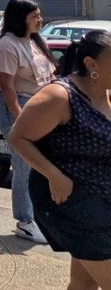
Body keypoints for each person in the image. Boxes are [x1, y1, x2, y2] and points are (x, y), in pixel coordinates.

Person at [9, 31, 111, 290]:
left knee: (83, 283)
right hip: (71, 200)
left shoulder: (107, 95)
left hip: (101, 199)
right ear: (91, 64)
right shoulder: (59, 96)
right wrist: (55, 176)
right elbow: (18, 138)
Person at [0, 0, 57, 244]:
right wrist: (20, 117)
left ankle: (40, 214)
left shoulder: (35, 41)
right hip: (18, 104)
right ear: (21, 19)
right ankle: (25, 220)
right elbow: (7, 87)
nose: (40, 20)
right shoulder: (6, 45)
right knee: (24, 163)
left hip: (39, 105)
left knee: (41, 160)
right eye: (34, 16)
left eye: (40, 15)